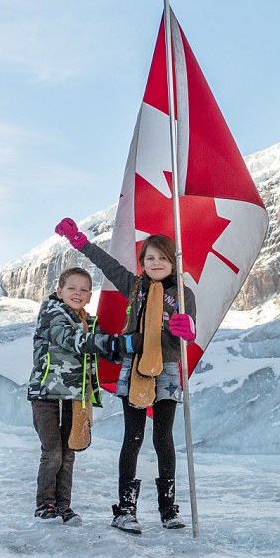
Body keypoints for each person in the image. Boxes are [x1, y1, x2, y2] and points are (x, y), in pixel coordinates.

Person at [55, 217, 197, 534]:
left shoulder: (184, 294)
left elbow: (189, 335)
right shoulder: (134, 287)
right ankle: (126, 510)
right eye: (150, 258)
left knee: (164, 439)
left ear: (172, 262)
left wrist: (188, 330)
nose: (156, 262)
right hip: (134, 370)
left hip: (168, 369)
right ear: (143, 263)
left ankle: (168, 508)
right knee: (132, 438)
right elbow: (107, 264)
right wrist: (80, 242)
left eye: (162, 257)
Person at [27, 266, 117, 525]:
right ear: (59, 291)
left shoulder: (87, 322)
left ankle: (63, 506)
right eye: (72, 288)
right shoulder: (51, 314)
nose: (77, 293)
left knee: (68, 452)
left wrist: (123, 344)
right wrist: (106, 343)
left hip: (73, 396)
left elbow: (103, 346)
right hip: (45, 394)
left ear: (90, 296)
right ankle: (45, 505)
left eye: (84, 290)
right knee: (52, 451)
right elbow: (71, 340)